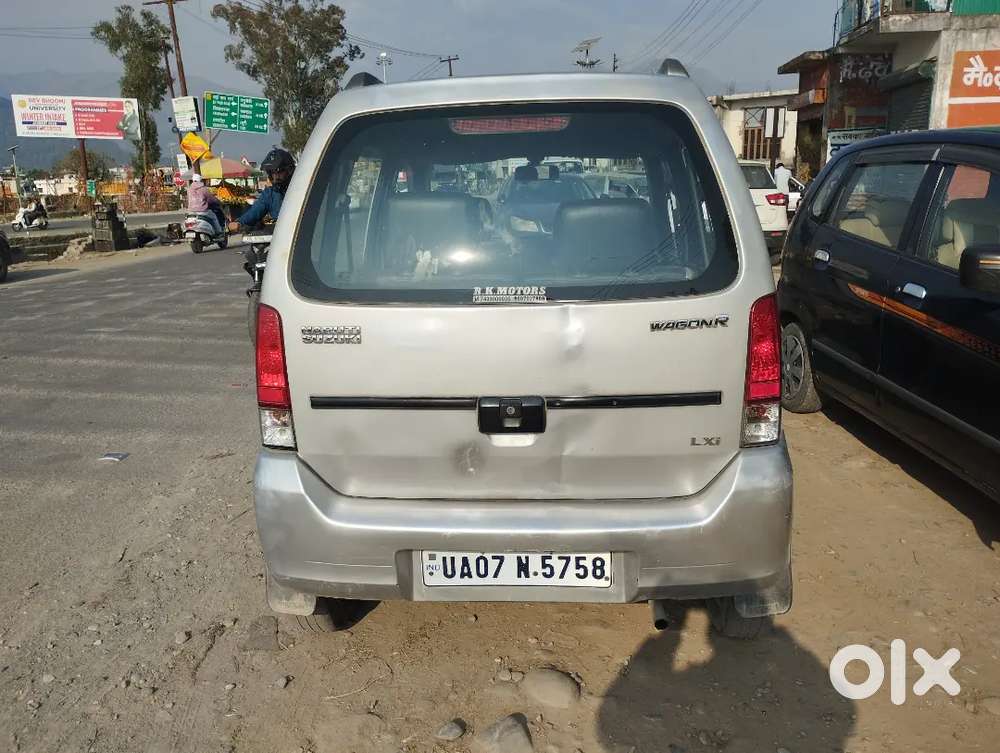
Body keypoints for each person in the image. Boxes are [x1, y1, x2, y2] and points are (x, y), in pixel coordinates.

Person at [228, 147, 295, 232]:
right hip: (280, 234)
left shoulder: (299, 190)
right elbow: (255, 211)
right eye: (272, 172)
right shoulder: (270, 193)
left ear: (289, 171)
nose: (275, 176)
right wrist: (239, 222)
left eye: (279, 171)